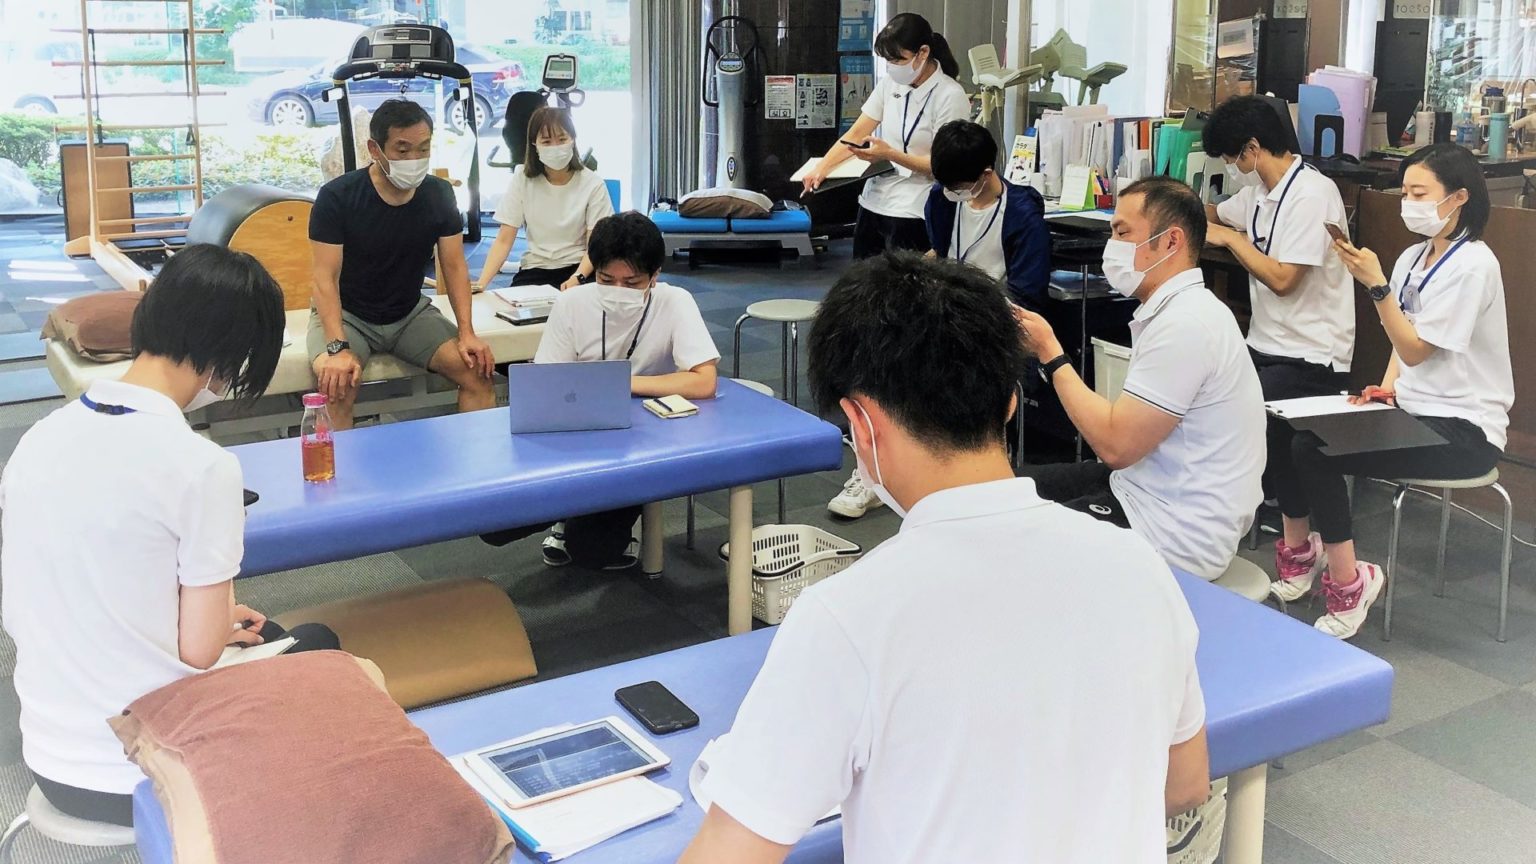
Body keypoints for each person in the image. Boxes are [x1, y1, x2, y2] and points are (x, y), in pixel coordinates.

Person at [678, 252, 1209, 864]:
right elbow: (1186, 784)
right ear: (1010, 401)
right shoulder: (1139, 565)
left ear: (860, 423)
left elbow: (729, 852)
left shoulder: (848, 617)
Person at [0, 246, 340, 827]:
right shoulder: (200, 466)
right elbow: (199, 651)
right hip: (142, 768)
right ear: (228, 356)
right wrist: (216, 620)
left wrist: (215, 617)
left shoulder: (38, 437)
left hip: (50, 759)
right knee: (317, 644)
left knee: (265, 634)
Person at [1282, 143, 1512, 638]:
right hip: (1414, 408)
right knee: (1288, 428)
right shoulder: (1414, 256)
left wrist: (1377, 287)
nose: (1408, 201)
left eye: (1420, 192)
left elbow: (1415, 349)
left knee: (1314, 451)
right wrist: (1386, 390)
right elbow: (1400, 339)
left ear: (1459, 198)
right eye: (1405, 190)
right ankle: (1301, 555)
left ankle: (1350, 581)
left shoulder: (1473, 265)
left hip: (1466, 431)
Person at [1012, 177, 1265, 581]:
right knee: (1007, 491)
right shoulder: (1178, 311)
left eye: (1122, 233)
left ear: (1170, 241)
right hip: (1141, 490)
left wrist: (1051, 352)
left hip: (1176, 532)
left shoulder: (1187, 324)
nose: (1113, 247)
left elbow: (1115, 446)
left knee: (1013, 538)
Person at [481, 212, 719, 568]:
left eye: (632, 282)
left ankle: (586, 514)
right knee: (493, 524)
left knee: (592, 552)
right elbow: (546, 383)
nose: (618, 291)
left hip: (643, 440)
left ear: (654, 277)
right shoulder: (572, 303)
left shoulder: (675, 301)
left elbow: (704, 380)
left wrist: (620, 384)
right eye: (607, 279)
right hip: (578, 432)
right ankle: (570, 509)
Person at [1202, 95, 1357, 589]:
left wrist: (1231, 241)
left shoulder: (1314, 194)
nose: (1232, 167)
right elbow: (1215, 213)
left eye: (1232, 157)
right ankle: (1295, 546)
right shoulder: (1258, 194)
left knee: (1258, 417)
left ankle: (1303, 549)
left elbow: (1285, 278)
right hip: (1267, 344)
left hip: (1315, 354)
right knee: (1208, 386)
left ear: (1252, 147)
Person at [308, 98, 495, 431]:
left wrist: (467, 332)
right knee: (337, 388)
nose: (415, 159)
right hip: (349, 315)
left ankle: (479, 475)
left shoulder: (438, 194)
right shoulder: (338, 197)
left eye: (423, 149)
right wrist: (337, 347)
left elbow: (453, 266)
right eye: (403, 150)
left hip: (409, 314)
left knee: (477, 373)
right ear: (374, 149)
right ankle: (336, 483)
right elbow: (324, 278)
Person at [799, 13, 970, 259]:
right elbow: (857, 132)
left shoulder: (950, 95)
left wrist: (888, 154)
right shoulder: (890, 84)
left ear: (923, 53)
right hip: (875, 201)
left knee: (903, 289)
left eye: (898, 59)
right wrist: (823, 168)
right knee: (863, 284)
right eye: (887, 60)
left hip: (915, 208)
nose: (892, 67)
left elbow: (942, 166)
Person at [476, 106, 614, 290]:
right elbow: (504, 239)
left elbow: (594, 246)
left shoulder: (593, 184)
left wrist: (577, 278)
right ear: (534, 144)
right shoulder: (522, 179)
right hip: (536, 267)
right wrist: (481, 283)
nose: (555, 147)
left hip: (581, 268)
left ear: (573, 139)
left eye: (562, 139)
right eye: (547, 141)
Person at [924, 119, 1051, 307]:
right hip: (946, 306)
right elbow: (938, 250)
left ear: (986, 174)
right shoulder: (942, 197)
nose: (951, 192)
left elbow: (1027, 295)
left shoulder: (1023, 218)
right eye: (946, 186)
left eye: (959, 187)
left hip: (997, 314)